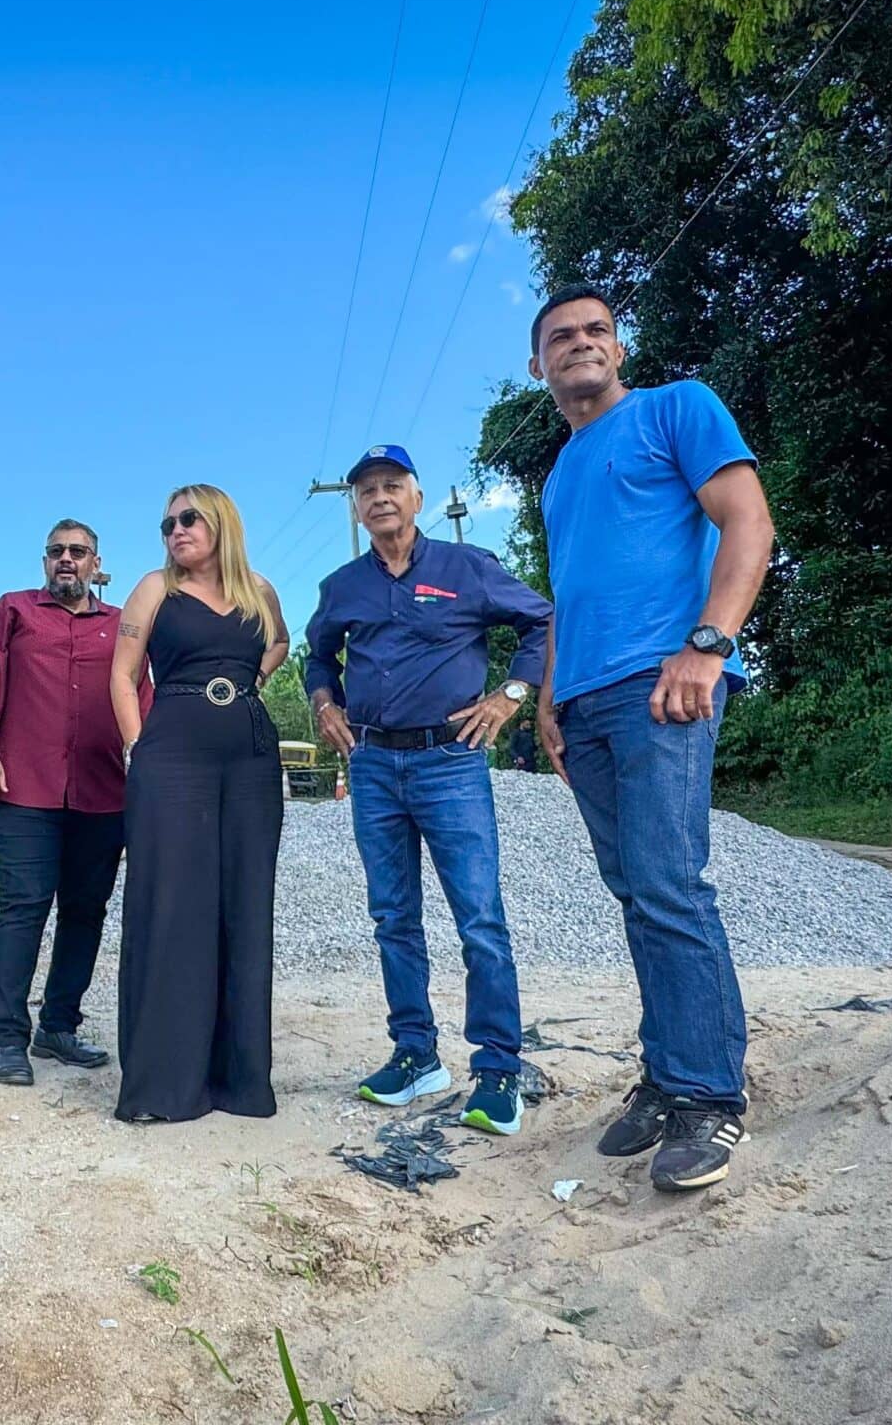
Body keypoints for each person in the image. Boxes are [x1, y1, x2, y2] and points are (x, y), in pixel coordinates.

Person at [526, 284, 776, 1193]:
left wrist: (708, 646)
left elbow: (748, 520)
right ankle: (670, 1076)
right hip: (585, 701)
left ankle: (710, 1095)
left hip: (662, 683)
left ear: (619, 347)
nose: (580, 343)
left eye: (596, 329)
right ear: (538, 365)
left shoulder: (677, 408)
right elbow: (568, 591)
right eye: (561, 336)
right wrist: (549, 699)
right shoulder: (559, 472)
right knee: (635, 889)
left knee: (670, 883)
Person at [304, 444, 554, 1136]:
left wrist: (510, 695)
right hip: (373, 766)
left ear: (416, 498)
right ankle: (415, 1054)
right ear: (357, 509)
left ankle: (498, 1069)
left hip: (451, 761)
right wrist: (324, 703)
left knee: (479, 919)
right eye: (367, 491)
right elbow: (318, 656)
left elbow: (541, 620)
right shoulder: (343, 586)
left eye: (393, 485)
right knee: (393, 917)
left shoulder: (467, 568)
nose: (380, 497)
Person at [109, 486, 289, 1123]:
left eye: (189, 519)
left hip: (250, 760)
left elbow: (279, 642)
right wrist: (137, 746)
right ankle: (165, 1085)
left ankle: (240, 1082)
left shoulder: (258, 591)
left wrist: (252, 679)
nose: (176, 531)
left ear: (221, 523)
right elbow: (123, 674)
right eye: (167, 524)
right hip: (171, 756)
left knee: (245, 905)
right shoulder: (155, 589)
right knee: (172, 905)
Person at [0, 519, 147, 1087]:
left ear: (96, 564)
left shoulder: (122, 626)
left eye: (78, 551)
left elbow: (144, 699)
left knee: (86, 911)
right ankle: (7, 1038)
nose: (67, 558)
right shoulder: (12, 611)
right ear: (45, 561)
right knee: (23, 907)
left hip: (103, 790)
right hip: (24, 788)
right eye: (57, 551)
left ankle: (58, 1027)